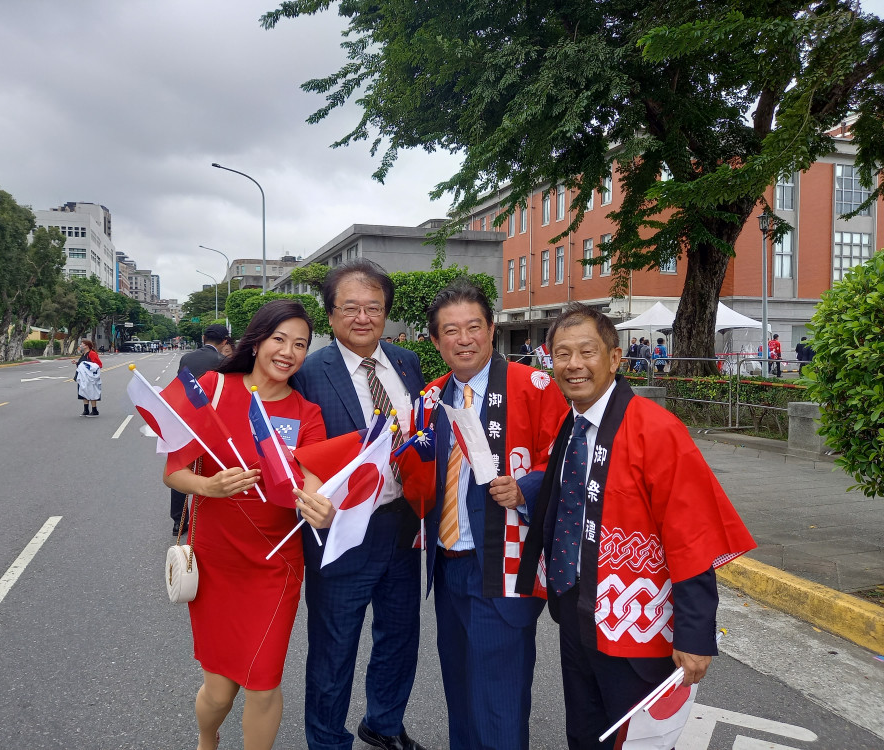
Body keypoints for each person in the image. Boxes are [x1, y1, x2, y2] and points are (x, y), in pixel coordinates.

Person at [516, 303, 755, 749]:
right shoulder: (572, 424)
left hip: (635, 623)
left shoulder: (656, 429)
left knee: (634, 740)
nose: (574, 364)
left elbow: (691, 534)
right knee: (585, 733)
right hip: (578, 611)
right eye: (562, 354)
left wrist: (694, 634)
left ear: (615, 358)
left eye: (587, 351)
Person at [405, 279, 567, 749]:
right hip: (447, 563)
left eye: (474, 327)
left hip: (502, 563)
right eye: (450, 330)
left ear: (492, 330)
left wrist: (525, 488)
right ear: (435, 340)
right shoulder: (432, 397)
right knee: (459, 690)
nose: (464, 339)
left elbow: (567, 460)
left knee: (499, 699)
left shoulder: (533, 386)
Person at [163, 300, 331, 750]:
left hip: (276, 566)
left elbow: (314, 483)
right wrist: (208, 486)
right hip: (217, 561)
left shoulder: (307, 413)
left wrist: (321, 508)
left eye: (301, 344)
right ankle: (207, 740)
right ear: (256, 342)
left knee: (263, 682)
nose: (288, 352)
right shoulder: (213, 388)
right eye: (280, 339)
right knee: (219, 692)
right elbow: (174, 471)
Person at [291, 258, 427, 750]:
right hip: (340, 530)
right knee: (335, 646)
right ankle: (328, 740)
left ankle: (383, 723)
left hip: (403, 525)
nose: (363, 317)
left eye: (374, 307)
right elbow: (291, 450)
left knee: (400, 635)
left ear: (386, 312)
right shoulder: (309, 372)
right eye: (350, 307)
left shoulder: (406, 363)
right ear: (330, 314)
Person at [170, 324, 230, 537]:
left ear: (204, 338)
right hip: (212, 423)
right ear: (225, 341)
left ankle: (179, 521)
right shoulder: (223, 362)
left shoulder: (187, 358)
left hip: (186, 420)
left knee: (181, 469)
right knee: (210, 469)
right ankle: (209, 516)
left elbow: (180, 386)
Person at [75, 339, 103, 417]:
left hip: (90, 378)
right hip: (83, 377)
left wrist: (88, 368)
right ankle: (86, 410)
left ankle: (94, 410)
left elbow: (98, 365)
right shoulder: (84, 354)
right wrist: (77, 363)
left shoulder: (92, 354)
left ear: (87, 346)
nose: (81, 345)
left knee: (92, 392)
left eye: (82, 344)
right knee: (84, 391)